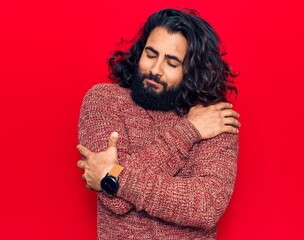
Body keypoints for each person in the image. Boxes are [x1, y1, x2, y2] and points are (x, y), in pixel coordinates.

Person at [77, 8, 240, 240]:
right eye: (151, 55)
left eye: (171, 63)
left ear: (191, 70)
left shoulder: (213, 117)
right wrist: (189, 131)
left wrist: (114, 176)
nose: (155, 70)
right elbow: (113, 202)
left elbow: (205, 206)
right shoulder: (104, 100)